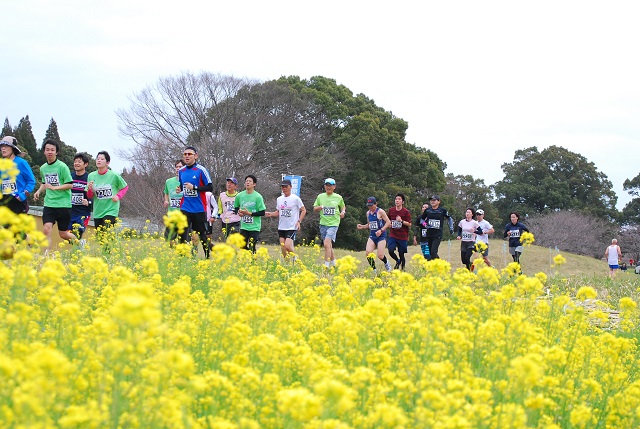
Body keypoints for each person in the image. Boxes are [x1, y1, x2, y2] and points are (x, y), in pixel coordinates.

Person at [33, 139, 78, 248]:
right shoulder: (43, 168)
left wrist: (55, 188)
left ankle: (79, 243)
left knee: (63, 234)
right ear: (44, 151)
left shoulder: (62, 167)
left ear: (56, 152)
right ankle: (46, 256)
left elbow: (70, 184)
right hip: (49, 204)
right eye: (47, 149)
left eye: (52, 150)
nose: (50, 152)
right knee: (46, 230)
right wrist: (38, 191)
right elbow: (44, 183)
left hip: (63, 204)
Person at [176, 146, 213, 258]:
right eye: (185, 154)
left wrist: (195, 188)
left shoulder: (201, 170)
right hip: (185, 207)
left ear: (195, 156)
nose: (187, 156)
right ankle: (182, 257)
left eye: (189, 154)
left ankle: (207, 256)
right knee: (182, 233)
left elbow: (210, 187)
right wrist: (180, 189)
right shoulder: (181, 171)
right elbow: (183, 186)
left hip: (198, 208)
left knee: (201, 234)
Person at [87, 151, 128, 234]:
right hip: (98, 210)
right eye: (97, 159)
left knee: (106, 231)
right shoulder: (91, 176)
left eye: (102, 159)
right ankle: (112, 246)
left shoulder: (114, 175)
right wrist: (90, 189)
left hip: (111, 209)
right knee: (101, 237)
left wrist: (118, 196)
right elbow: (90, 196)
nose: (99, 161)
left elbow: (125, 187)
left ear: (107, 162)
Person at [265, 179, 306, 261]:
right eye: (282, 187)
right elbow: (278, 212)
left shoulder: (295, 198)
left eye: (286, 186)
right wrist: (271, 214)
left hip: (291, 226)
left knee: (287, 245)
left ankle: (295, 258)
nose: (284, 189)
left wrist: (299, 222)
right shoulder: (279, 199)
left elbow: (304, 210)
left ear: (291, 187)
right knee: (283, 247)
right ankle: (287, 265)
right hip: (281, 226)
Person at [313, 178, 346, 268]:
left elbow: (343, 207)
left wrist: (343, 212)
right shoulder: (320, 196)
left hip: (334, 223)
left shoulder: (338, 197)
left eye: (330, 185)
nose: (328, 187)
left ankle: (326, 266)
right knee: (329, 245)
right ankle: (334, 264)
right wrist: (320, 207)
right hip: (323, 223)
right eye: (326, 185)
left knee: (326, 244)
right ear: (324, 186)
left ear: (334, 187)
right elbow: (314, 208)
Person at [0, 136, 36, 214]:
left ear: (13, 148)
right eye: (2, 146)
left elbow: (31, 181)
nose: (3, 148)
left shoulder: (22, 163)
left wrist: (22, 195)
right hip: (3, 201)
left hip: (18, 201)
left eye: (6, 146)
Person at [356, 197, 392, 273]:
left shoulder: (380, 211)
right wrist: (362, 226)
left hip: (381, 236)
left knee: (380, 255)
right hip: (372, 236)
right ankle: (374, 270)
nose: (370, 207)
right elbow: (369, 225)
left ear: (376, 204)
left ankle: (387, 264)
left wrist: (381, 230)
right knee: (368, 253)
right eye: (369, 206)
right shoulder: (368, 213)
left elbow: (388, 222)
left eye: (372, 205)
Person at [233, 174, 266, 254]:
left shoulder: (258, 197)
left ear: (254, 184)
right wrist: (239, 212)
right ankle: (251, 255)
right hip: (244, 226)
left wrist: (249, 213)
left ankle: (253, 262)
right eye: (246, 181)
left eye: (250, 181)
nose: (247, 183)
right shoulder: (239, 195)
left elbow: (262, 212)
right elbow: (236, 207)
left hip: (254, 226)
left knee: (252, 246)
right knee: (241, 245)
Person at [417, 195, 454, 259]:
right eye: (431, 200)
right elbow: (422, 220)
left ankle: (439, 264)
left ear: (439, 201)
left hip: (437, 234)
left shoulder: (442, 210)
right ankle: (438, 264)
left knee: (433, 252)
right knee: (431, 253)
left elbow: (449, 219)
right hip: (429, 234)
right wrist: (425, 225)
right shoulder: (427, 210)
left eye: (434, 200)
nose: (432, 202)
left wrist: (451, 228)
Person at [68, 153, 92, 240]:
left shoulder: (89, 178)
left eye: (79, 162)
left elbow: (94, 194)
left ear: (86, 164)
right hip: (70, 211)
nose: (76, 163)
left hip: (83, 213)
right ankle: (80, 246)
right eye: (75, 162)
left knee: (78, 233)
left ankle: (79, 247)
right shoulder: (70, 176)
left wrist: (89, 201)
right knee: (67, 234)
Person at [387, 193, 412, 270]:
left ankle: (403, 269)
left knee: (401, 254)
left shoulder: (406, 212)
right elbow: (387, 220)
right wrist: (389, 224)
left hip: (403, 236)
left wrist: (401, 221)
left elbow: (409, 224)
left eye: (399, 199)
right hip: (393, 235)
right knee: (390, 250)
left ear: (403, 202)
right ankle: (397, 261)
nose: (397, 201)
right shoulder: (391, 210)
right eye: (396, 199)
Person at [163, 160, 184, 243]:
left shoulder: (187, 181)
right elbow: (166, 192)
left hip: (183, 215)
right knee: (169, 239)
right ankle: (174, 252)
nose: (178, 169)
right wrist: (166, 200)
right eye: (177, 167)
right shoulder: (168, 181)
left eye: (180, 167)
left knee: (183, 239)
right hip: (172, 214)